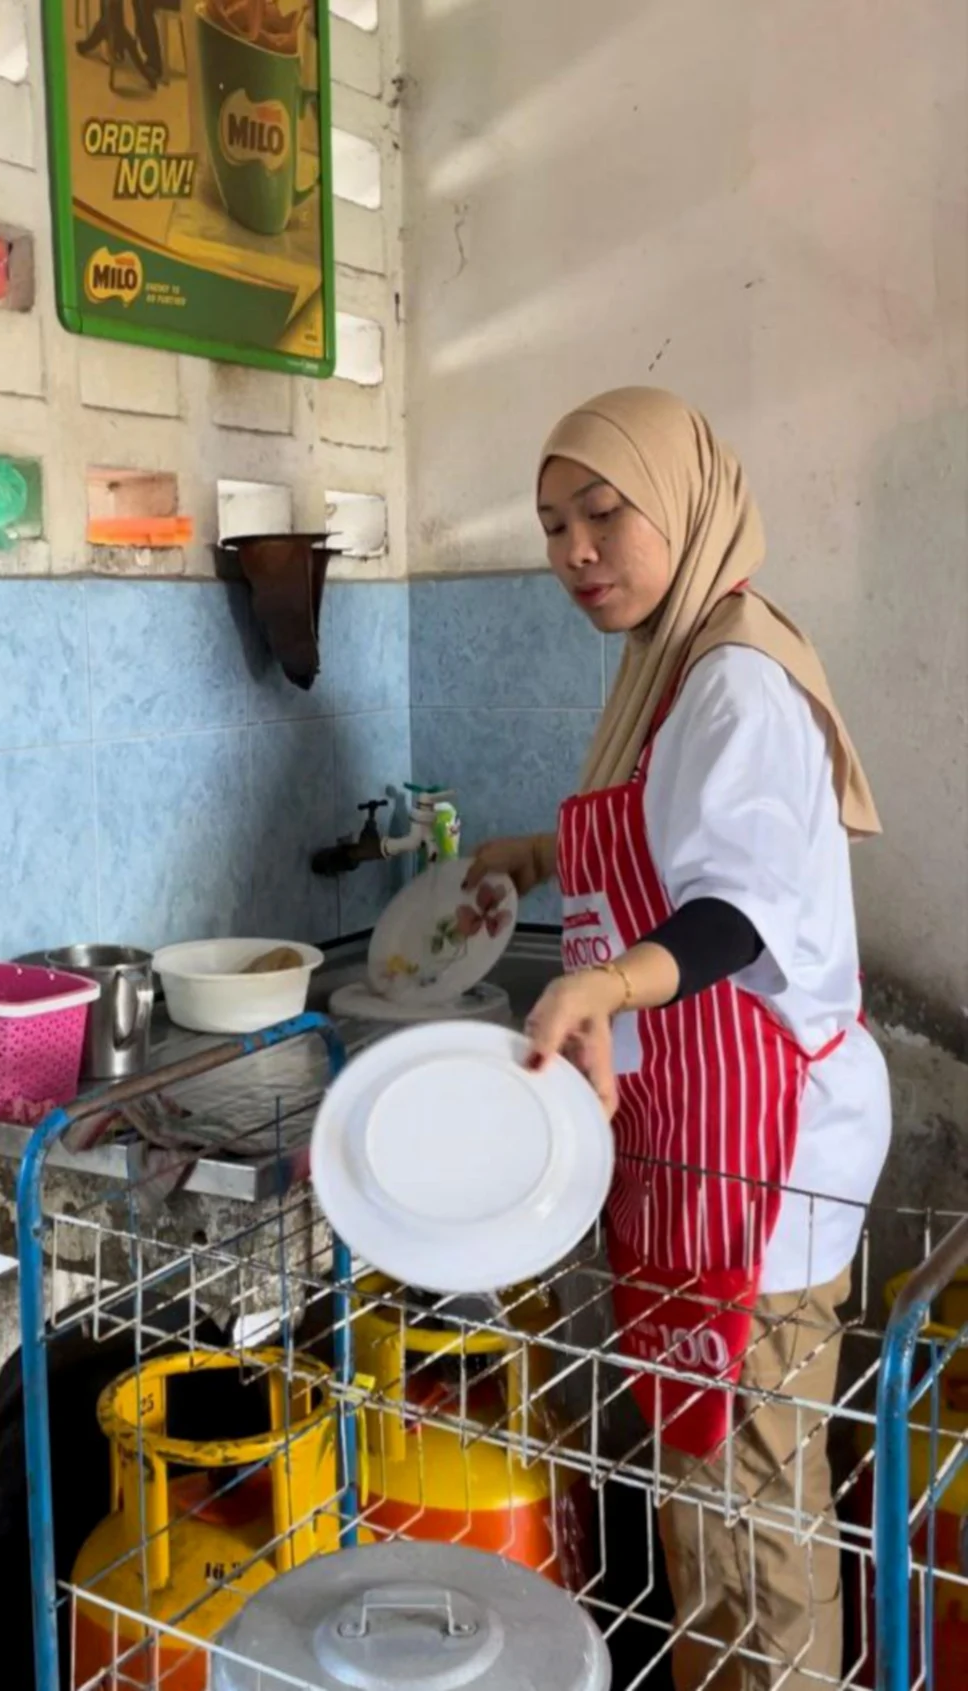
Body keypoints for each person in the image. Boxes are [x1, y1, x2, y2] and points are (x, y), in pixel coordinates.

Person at [468, 388, 890, 1690]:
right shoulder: (677, 666)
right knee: (702, 1486)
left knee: (756, 1501)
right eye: (551, 525)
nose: (576, 550)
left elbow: (734, 907)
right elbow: (669, 841)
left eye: (605, 511)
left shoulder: (735, 681)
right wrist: (536, 856)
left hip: (764, 1150)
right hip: (698, 1136)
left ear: (690, 503)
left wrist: (604, 990)